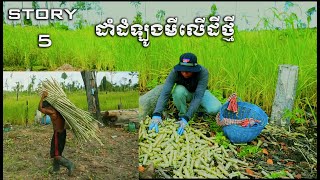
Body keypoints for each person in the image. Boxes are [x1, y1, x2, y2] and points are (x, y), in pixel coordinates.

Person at [149, 52, 222, 135]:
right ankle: (182, 115)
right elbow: (165, 92)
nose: (184, 73)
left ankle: (193, 111)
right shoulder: (175, 72)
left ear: (195, 69)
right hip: (184, 92)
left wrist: (187, 117)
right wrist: (157, 113)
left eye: (188, 71)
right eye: (183, 70)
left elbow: (198, 96)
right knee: (178, 91)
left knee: (216, 108)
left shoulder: (203, 72)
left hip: (200, 93)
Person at [38, 91, 75, 176]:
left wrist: (42, 97)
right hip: (61, 133)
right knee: (56, 152)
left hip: (58, 134)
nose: (45, 111)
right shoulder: (59, 109)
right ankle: (56, 169)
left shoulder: (52, 111)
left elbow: (40, 108)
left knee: (56, 154)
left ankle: (69, 164)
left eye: (46, 108)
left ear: (48, 106)